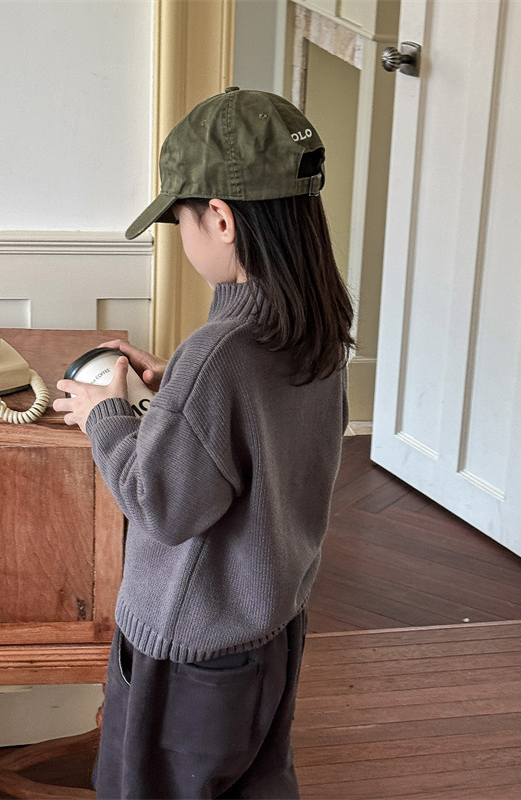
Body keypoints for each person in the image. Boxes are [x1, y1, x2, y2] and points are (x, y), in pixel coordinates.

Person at [54, 87, 353, 799]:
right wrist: (174, 391)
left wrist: (106, 416)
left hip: (188, 654)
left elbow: (163, 504)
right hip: (269, 631)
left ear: (219, 217)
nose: (182, 237)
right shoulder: (315, 328)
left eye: (180, 220)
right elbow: (264, 436)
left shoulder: (219, 355)